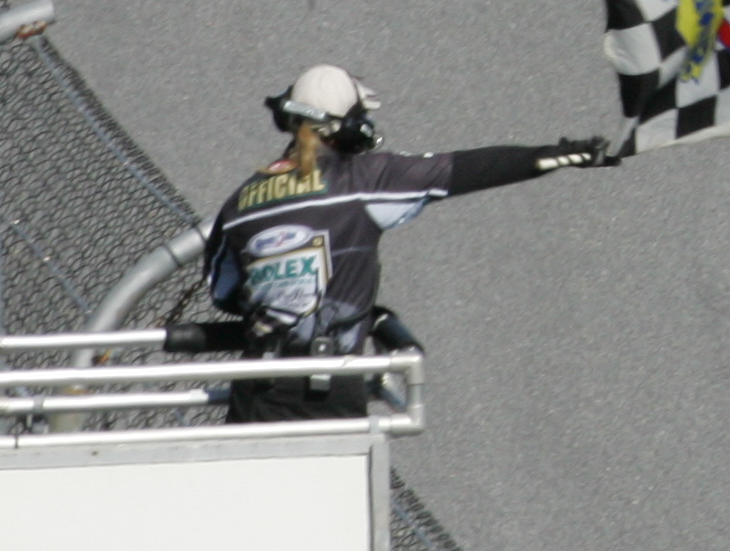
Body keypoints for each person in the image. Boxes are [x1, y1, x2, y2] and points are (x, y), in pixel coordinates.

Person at [206, 66, 609, 424]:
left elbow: (223, 293)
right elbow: (467, 169)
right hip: (327, 391)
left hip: (253, 394)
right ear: (349, 127)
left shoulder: (240, 202)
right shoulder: (363, 179)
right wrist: (565, 155)